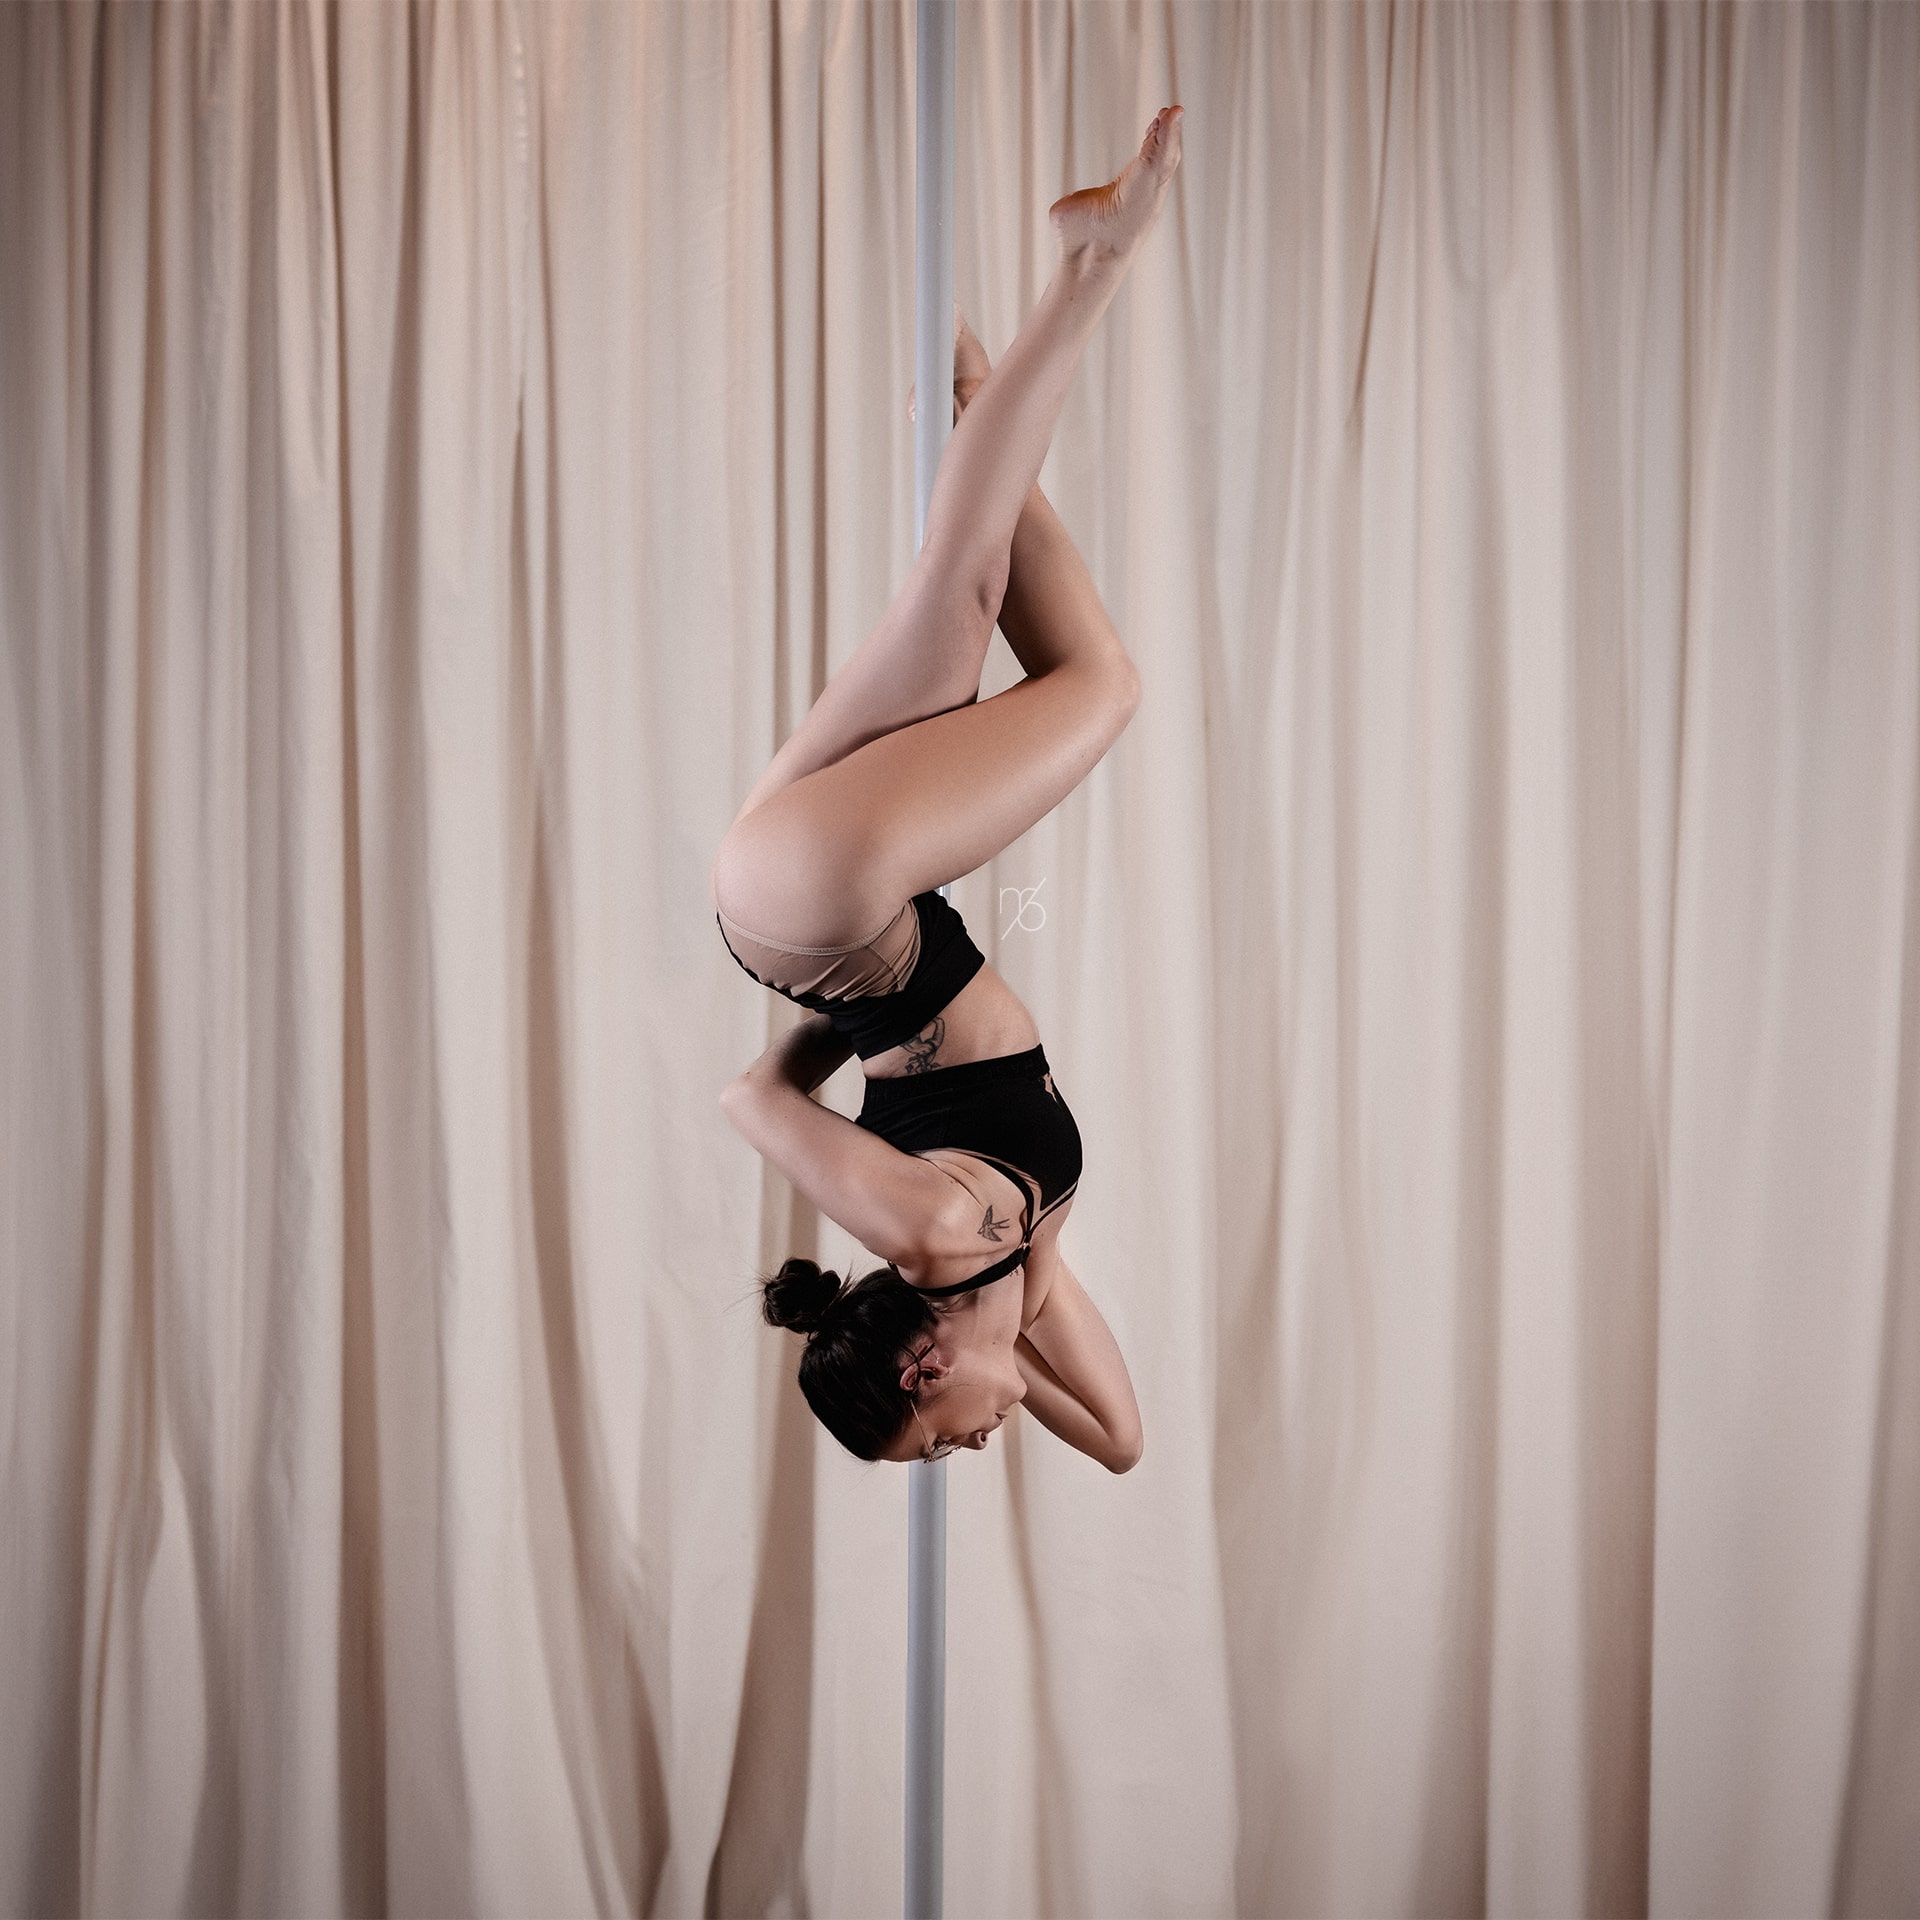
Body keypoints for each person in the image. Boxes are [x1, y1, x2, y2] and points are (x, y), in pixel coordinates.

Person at [712, 108, 1185, 1468]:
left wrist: (862, 997)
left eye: (933, 1442)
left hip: (839, 913)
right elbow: (1122, 1439)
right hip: (811, 907)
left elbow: (752, 1102)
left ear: (918, 1367)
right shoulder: (1007, 1265)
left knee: (1074, 668)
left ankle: (1090, 268)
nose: (966, 1449)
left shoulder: (935, 1232)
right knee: (977, 602)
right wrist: (1002, 1355)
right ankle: (974, 395)